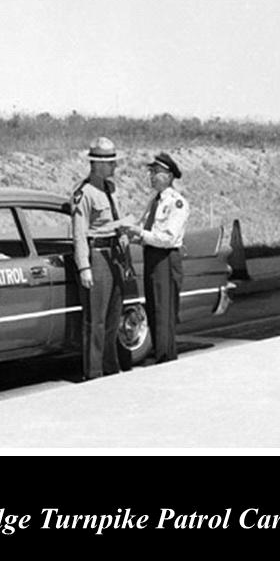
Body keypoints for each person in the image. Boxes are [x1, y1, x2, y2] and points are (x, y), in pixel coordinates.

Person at [120, 152, 189, 365]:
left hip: (165, 258)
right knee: (153, 309)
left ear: (168, 176)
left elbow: (168, 238)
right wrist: (130, 233)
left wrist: (140, 234)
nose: (151, 176)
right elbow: (144, 226)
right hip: (152, 256)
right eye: (151, 172)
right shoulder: (155, 202)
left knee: (163, 311)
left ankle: (166, 357)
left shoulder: (176, 203)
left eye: (156, 172)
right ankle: (161, 353)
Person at [71, 136, 131, 380]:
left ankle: (110, 366)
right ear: (96, 164)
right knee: (95, 319)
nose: (114, 167)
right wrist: (84, 267)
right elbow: (79, 233)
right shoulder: (84, 193)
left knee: (113, 316)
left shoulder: (111, 189)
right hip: (97, 255)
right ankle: (94, 371)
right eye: (110, 163)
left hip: (114, 254)